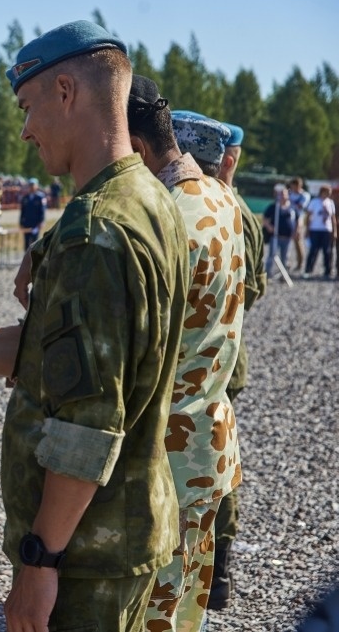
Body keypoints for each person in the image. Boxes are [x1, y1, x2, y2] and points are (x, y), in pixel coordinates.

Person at [0, 20, 189, 632]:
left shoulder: (94, 230)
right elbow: (62, 355)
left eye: (26, 107)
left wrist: (39, 562)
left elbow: (88, 422)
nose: (23, 130)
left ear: (65, 91)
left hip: (84, 557)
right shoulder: (153, 200)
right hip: (121, 532)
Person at [127, 90, 246, 631]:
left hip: (161, 463)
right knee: (184, 608)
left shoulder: (168, 219)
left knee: (150, 612)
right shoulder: (222, 202)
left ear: (135, 147)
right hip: (205, 449)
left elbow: (123, 359)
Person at [209, 120, 268, 611]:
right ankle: (215, 573)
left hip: (216, 362)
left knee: (212, 463)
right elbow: (258, 287)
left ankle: (215, 568)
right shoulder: (241, 212)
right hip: (228, 358)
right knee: (218, 459)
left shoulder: (218, 210)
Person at [302, 184, 337, 279]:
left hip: (326, 230)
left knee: (327, 251)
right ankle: (308, 270)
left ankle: (327, 271)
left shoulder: (330, 203)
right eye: (327, 192)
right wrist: (307, 229)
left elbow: (333, 218)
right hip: (315, 229)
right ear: (322, 192)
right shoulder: (314, 202)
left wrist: (334, 231)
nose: (328, 194)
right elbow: (308, 216)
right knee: (313, 250)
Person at [264, 186, 296, 276]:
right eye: (280, 194)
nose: (282, 196)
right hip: (276, 237)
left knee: (285, 257)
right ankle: (268, 273)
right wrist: (269, 227)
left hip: (287, 237)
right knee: (272, 255)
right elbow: (265, 219)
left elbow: (297, 220)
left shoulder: (292, 207)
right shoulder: (274, 207)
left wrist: (297, 230)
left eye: (284, 193)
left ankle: (284, 274)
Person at [18, 176, 46, 250]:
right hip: (27, 223)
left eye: (33, 185)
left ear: (37, 186)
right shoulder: (25, 198)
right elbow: (22, 211)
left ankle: (34, 259)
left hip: (35, 223)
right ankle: (27, 259)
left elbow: (42, 211)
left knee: (35, 242)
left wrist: (41, 221)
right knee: (26, 242)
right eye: (30, 185)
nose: (31, 187)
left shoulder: (40, 197)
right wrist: (21, 222)